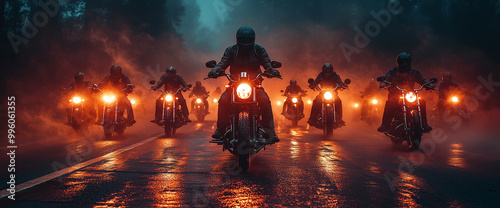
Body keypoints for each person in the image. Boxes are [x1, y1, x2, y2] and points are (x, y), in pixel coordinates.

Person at [208, 26, 281, 143]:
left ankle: (269, 131)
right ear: (237, 39)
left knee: (265, 100)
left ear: (253, 39)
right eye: (243, 39)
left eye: (248, 40)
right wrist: (215, 70)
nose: (245, 43)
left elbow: (267, 63)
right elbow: (223, 62)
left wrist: (272, 70)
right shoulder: (231, 50)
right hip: (234, 84)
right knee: (223, 101)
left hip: (254, 84)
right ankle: (221, 129)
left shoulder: (259, 50)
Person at [377, 52, 434, 133]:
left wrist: (430, 85)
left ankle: (424, 123)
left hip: (410, 95)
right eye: (402, 62)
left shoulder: (414, 72)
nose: (404, 64)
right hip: (395, 95)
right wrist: (384, 84)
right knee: (390, 103)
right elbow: (386, 79)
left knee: (421, 102)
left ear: (409, 62)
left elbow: (423, 80)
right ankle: (385, 125)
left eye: (406, 62)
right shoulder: (393, 71)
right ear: (398, 62)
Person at [307, 63, 347, 128]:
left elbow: (340, 82)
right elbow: (316, 82)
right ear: (323, 70)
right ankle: (312, 119)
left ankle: (340, 119)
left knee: (338, 102)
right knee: (315, 102)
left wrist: (342, 86)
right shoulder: (320, 75)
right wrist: (313, 85)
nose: (327, 71)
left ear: (331, 70)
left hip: (333, 93)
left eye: (329, 70)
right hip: (322, 93)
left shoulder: (335, 75)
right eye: (326, 70)